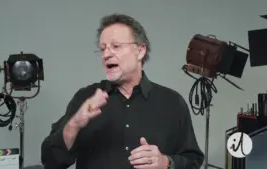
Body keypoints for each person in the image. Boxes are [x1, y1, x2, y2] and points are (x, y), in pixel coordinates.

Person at [41, 13, 204, 169]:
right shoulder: (85, 98)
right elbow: (51, 162)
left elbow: (193, 161)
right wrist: (74, 124)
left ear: (140, 51)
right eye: (103, 48)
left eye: (116, 46)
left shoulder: (172, 103)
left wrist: (166, 163)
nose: (106, 54)